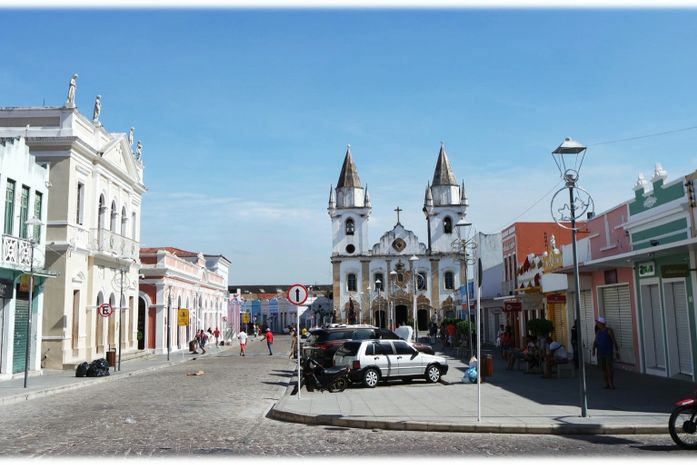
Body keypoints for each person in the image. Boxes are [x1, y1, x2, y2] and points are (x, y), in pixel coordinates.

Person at [592, 316, 619, 389]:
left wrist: (617, 351)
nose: (597, 324)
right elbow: (595, 341)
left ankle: (611, 383)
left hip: (608, 352)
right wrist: (593, 349)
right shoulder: (598, 332)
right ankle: (606, 383)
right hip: (600, 352)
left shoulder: (609, 331)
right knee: (603, 369)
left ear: (601, 323)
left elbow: (614, 341)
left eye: (598, 322)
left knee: (609, 368)